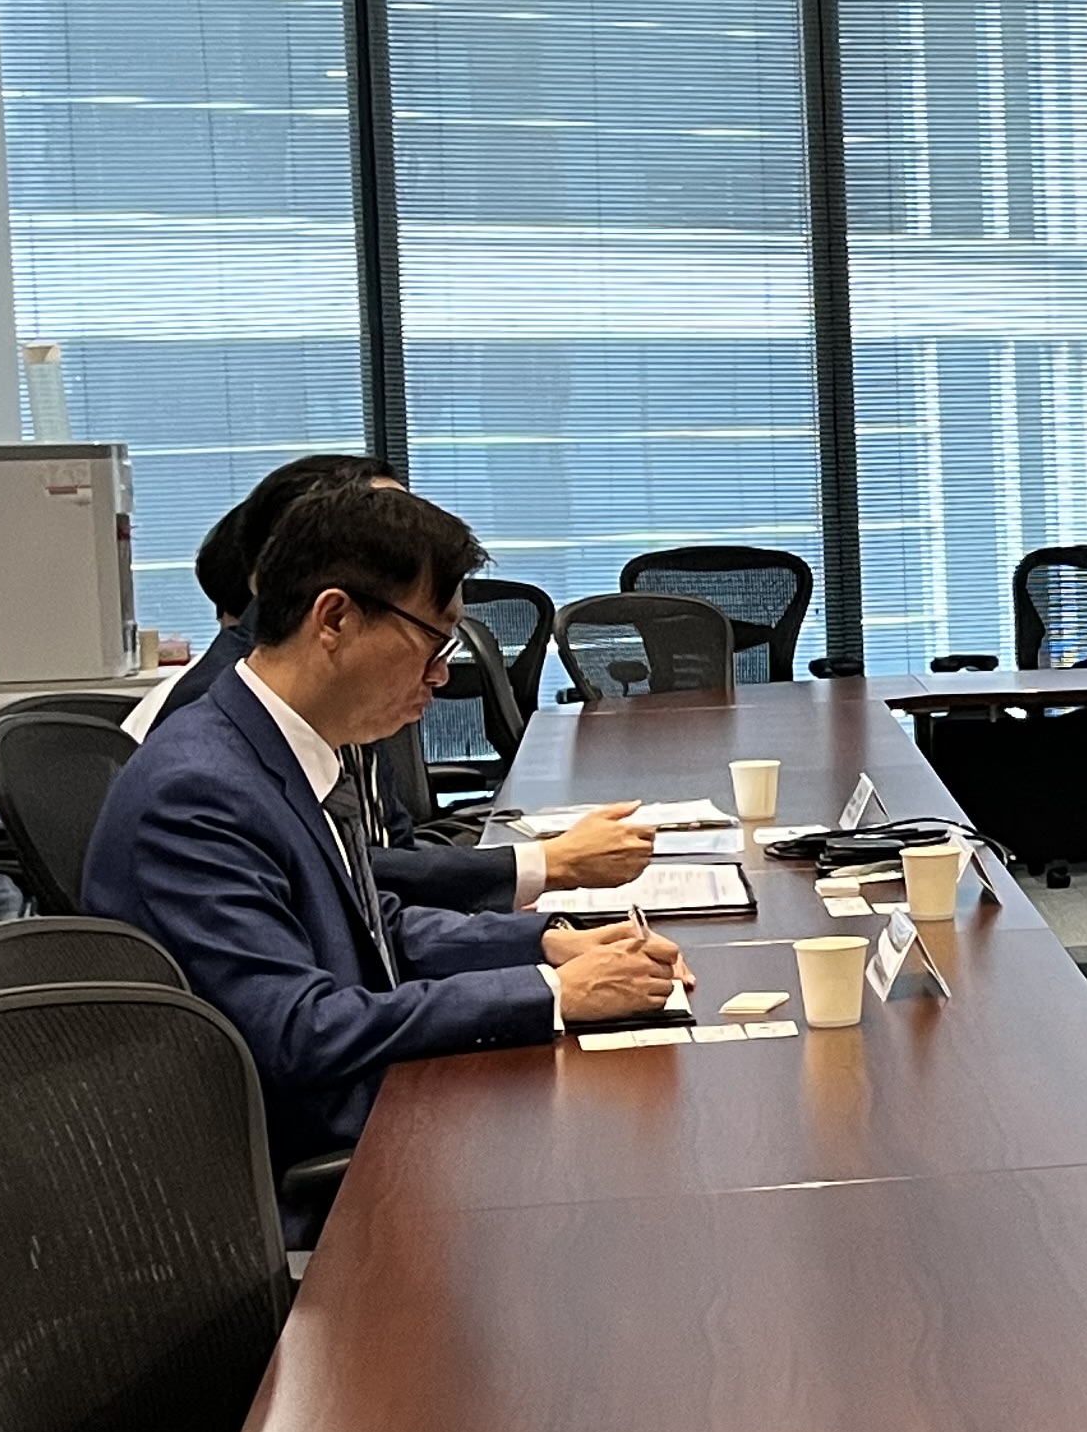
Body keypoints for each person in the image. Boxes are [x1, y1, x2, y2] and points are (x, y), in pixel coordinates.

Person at [83, 482, 691, 1167]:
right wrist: (550, 995)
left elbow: (375, 929)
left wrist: (546, 944)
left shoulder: (279, 746)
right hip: (318, 1163)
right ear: (335, 619)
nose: (441, 676)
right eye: (434, 642)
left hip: (380, 1111)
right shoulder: (198, 792)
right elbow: (297, 1030)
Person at [130, 453, 651, 910]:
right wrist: (542, 871)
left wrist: (541, 945)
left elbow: (380, 899)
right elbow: (335, 908)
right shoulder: (213, 746)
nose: (441, 674)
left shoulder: (330, 703)